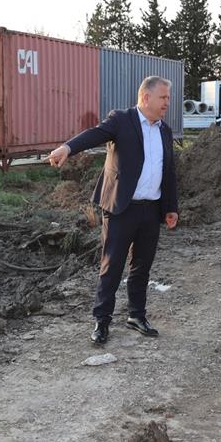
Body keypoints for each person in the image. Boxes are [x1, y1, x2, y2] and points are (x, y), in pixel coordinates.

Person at [48, 76, 179, 345]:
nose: (168, 102)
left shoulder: (164, 130)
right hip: (121, 208)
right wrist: (67, 148)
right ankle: (102, 320)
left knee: (142, 266)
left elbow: (168, 172)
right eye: (163, 97)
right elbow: (94, 134)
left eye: (168, 97)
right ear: (146, 97)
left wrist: (170, 207)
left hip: (151, 209)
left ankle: (136, 316)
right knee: (112, 266)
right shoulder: (122, 120)